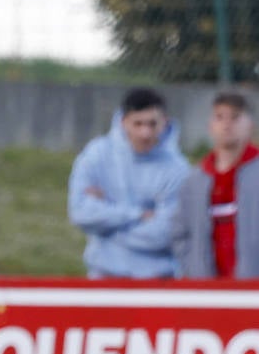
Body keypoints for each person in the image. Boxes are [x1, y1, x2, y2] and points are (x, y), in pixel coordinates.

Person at [68, 87, 190, 279]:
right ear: (124, 121)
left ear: (165, 122)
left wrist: (105, 229)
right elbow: (81, 213)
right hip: (103, 276)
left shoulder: (178, 169)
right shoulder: (96, 155)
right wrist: (140, 214)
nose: (145, 133)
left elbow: (165, 233)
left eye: (152, 124)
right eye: (138, 123)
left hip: (158, 280)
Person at [173, 92, 259, 278]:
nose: (227, 124)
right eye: (220, 117)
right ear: (210, 126)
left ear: (250, 125)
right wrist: (194, 267)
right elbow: (180, 233)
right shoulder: (194, 180)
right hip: (209, 290)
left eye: (235, 117)